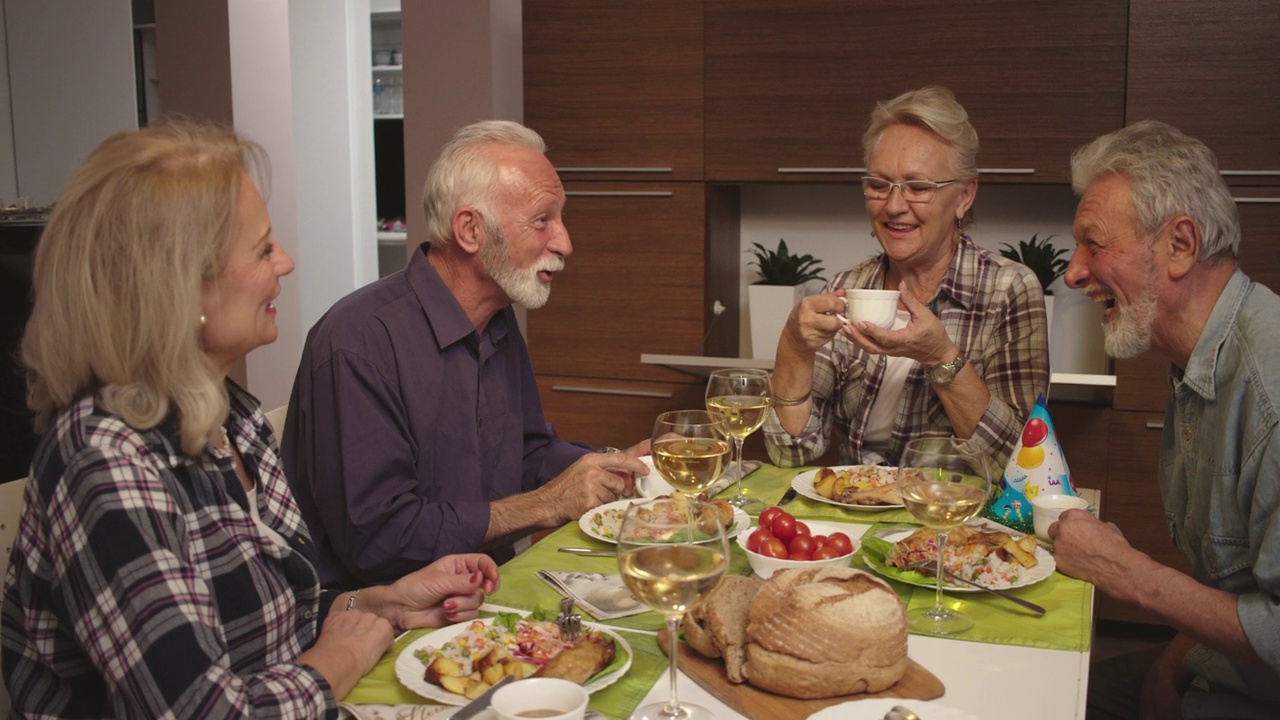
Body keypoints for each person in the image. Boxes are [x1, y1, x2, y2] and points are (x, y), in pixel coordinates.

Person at [0, 123, 501, 718]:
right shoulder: (104, 457)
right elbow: (198, 711)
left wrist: (379, 606)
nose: (285, 263)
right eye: (263, 248)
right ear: (181, 286)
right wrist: (335, 663)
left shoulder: (232, 417)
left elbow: (272, 619)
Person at [283, 120, 648, 589]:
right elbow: (380, 542)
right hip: (387, 624)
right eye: (543, 220)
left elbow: (527, 452)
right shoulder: (358, 342)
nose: (564, 242)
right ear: (471, 230)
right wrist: (546, 504)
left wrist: (613, 468)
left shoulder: (495, 318)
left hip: (487, 590)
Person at [1050, 120, 1280, 719]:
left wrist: (1128, 573)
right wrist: (1172, 662)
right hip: (1215, 667)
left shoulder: (1270, 395)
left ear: (1179, 245)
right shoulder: (1195, 360)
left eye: (1094, 244)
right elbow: (1238, 587)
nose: (1073, 272)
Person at [763, 86, 1049, 469]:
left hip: (959, 522)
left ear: (964, 196)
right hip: (858, 513)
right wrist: (793, 349)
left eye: (918, 187)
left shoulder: (1008, 290)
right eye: (879, 186)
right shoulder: (847, 287)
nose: (895, 206)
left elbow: (1019, 461)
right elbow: (791, 451)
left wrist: (940, 358)